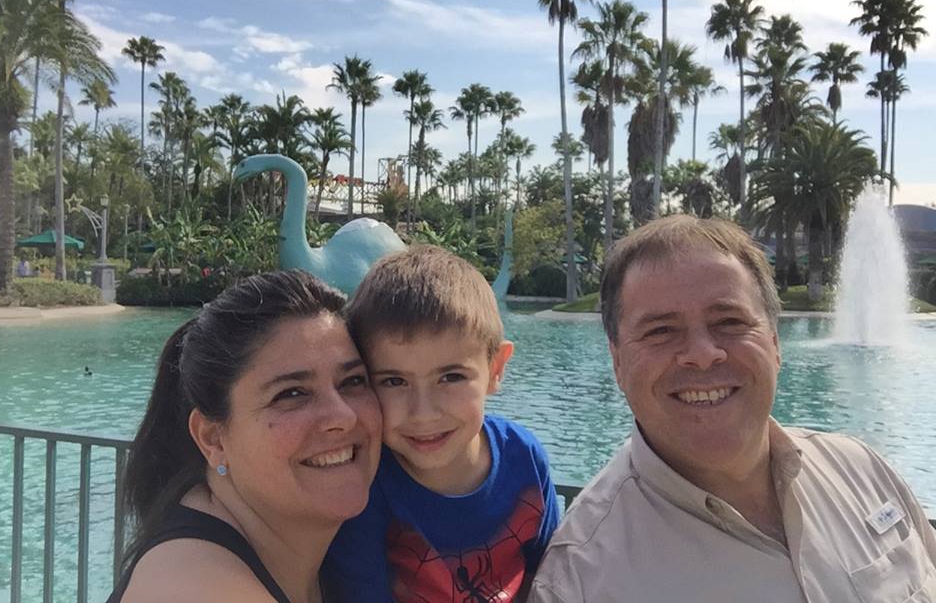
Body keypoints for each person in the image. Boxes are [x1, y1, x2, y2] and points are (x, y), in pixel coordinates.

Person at [530, 215, 936, 602]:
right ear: (618, 363)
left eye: (729, 321)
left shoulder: (862, 471)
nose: (703, 355)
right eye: (661, 331)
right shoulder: (580, 580)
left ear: (775, 344)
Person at [107, 269, 382, 603]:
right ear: (213, 439)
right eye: (292, 394)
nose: (343, 416)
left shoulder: (321, 544)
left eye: (353, 381)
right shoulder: (192, 588)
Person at [324, 245, 560, 602]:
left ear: (495, 369)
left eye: (451, 377)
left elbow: (553, 576)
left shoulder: (524, 457)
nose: (424, 413)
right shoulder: (368, 488)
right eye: (394, 381)